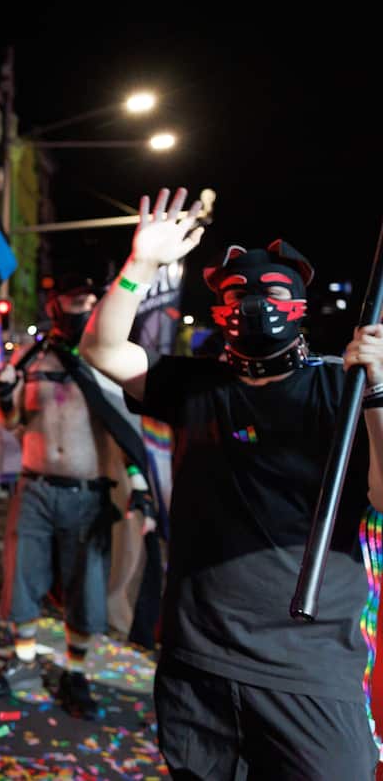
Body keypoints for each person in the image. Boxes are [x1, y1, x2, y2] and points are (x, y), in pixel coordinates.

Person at [80, 187, 383, 779]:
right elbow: (102, 348)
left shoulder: (340, 393)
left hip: (309, 667)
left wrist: (376, 391)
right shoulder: (196, 386)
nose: (254, 303)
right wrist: (142, 264)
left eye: (272, 292)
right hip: (198, 664)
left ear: (299, 302)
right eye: (237, 292)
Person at [0, 273, 152, 719]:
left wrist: (140, 487)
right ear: (55, 304)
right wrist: (5, 392)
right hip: (34, 486)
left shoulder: (102, 361)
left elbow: (123, 430)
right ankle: (24, 663)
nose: (84, 307)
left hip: (86, 494)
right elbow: (12, 420)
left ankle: (75, 674)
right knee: (22, 577)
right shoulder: (34, 358)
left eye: (90, 301)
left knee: (86, 586)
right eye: (75, 300)